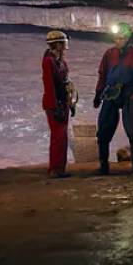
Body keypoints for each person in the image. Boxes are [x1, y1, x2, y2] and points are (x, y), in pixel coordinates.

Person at [93, 22, 133, 175]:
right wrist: (98, 94)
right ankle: (103, 165)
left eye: (121, 38)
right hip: (111, 93)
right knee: (104, 130)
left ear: (127, 39)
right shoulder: (109, 54)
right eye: (116, 38)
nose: (118, 41)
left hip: (128, 94)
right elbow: (102, 75)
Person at [42, 30, 76, 178]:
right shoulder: (48, 62)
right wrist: (54, 106)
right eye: (62, 43)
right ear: (57, 44)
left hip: (63, 103)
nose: (64, 46)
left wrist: (70, 103)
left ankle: (60, 168)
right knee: (58, 136)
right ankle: (55, 169)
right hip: (55, 105)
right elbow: (49, 85)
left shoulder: (61, 62)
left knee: (62, 137)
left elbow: (66, 83)